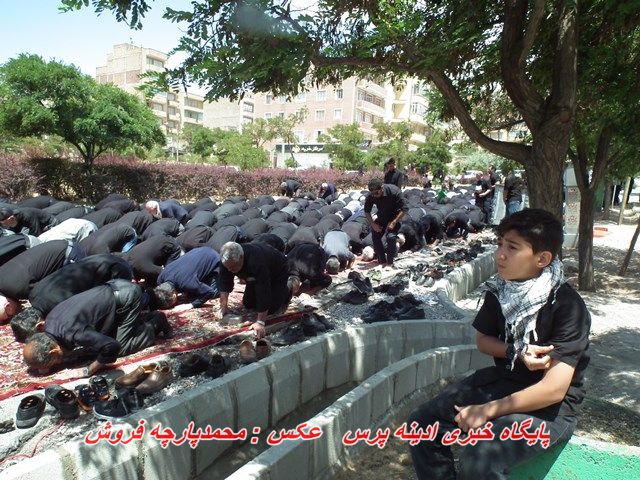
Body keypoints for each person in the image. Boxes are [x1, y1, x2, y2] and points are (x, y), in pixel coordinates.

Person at [408, 209, 590, 480]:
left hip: (550, 410)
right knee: (421, 424)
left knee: (479, 457)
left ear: (542, 259)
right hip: (504, 382)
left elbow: (553, 390)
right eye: (500, 244)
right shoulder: (501, 292)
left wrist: (487, 410)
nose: (500, 255)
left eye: (512, 247)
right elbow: (483, 341)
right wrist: (515, 351)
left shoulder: (566, 306)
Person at [22, 279, 170, 376]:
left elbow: (112, 346)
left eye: (53, 362)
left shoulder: (73, 332)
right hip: (114, 286)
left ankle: (155, 323)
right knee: (99, 343)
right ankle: (140, 321)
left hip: (127, 297)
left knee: (121, 347)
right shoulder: (50, 322)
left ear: (54, 351)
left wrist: (91, 369)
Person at [218, 241, 292, 338]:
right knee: (248, 303)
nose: (229, 270)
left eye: (232, 267)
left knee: (271, 308)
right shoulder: (226, 260)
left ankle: (288, 288)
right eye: (227, 267)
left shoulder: (256, 261)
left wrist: (260, 322)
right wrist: (223, 306)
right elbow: (224, 281)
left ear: (241, 257)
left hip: (278, 270)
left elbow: (263, 290)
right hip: (253, 275)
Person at [150, 246, 221, 309]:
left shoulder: (187, 283)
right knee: (191, 293)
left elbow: (209, 292)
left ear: (174, 295)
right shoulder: (160, 278)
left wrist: (191, 305)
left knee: (209, 294)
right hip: (198, 251)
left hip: (214, 259)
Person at [364, 178, 408, 267]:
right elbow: (367, 211)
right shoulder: (371, 195)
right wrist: (373, 224)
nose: (375, 196)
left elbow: (405, 209)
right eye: (372, 194)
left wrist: (394, 222)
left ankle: (390, 262)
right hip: (382, 216)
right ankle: (382, 260)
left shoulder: (394, 191)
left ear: (382, 188)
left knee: (390, 238)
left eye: (376, 193)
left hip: (395, 217)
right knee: (375, 236)